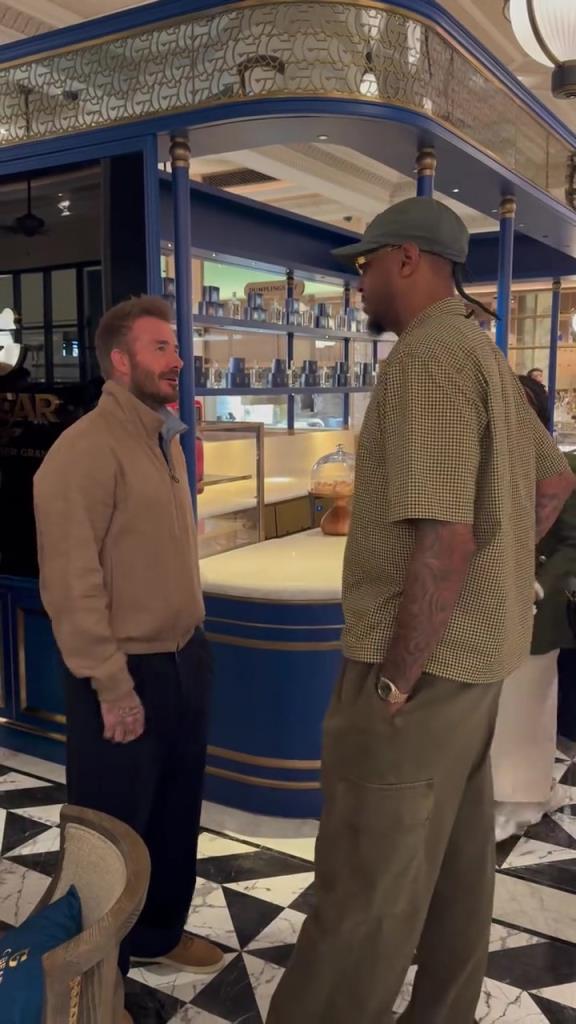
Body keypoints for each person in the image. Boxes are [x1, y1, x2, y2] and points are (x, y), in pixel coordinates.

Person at [266, 198, 575, 1024]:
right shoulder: (481, 352)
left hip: (419, 672)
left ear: (407, 258)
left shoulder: (427, 358)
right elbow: (553, 483)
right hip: (474, 668)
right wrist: (498, 573)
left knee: (363, 885)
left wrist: (396, 678)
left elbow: (445, 539)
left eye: (366, 264)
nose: (359, 281)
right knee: (454, 874)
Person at [33, 296, 223, 1023]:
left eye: (175, 347)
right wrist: (111, 684)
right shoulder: (83, 451)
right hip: (124, 672)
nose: (177, 360)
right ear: (120, 360)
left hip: (184, 660)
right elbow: (71, 584)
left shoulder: (163, 438)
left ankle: (157, 934)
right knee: (109, 836)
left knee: (174, 814)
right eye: (160, 348)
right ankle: (94, 984)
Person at [492, 374, 576, 840]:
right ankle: (490, 794)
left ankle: (522, 800)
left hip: (537, 613)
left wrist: (536, 588)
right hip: (485, 612)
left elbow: (571, 546)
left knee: (527, 706)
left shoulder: (560, 470)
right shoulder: (483, 467)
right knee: (495, 713)